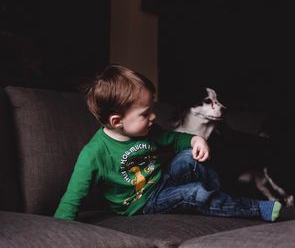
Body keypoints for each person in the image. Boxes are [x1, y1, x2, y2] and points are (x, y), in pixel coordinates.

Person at [54, 64, 282, 222]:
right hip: (143, 204)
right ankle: (253, 208)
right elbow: (73, 197)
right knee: (194, 193)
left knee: (188, 156)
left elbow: (176, 140)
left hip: (162, 181)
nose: (153, 117)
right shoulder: (94, 153)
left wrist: (196, 139)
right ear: (117, 121)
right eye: (145, 113)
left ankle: (221, 199)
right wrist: (59, 230)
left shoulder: (150, 131)